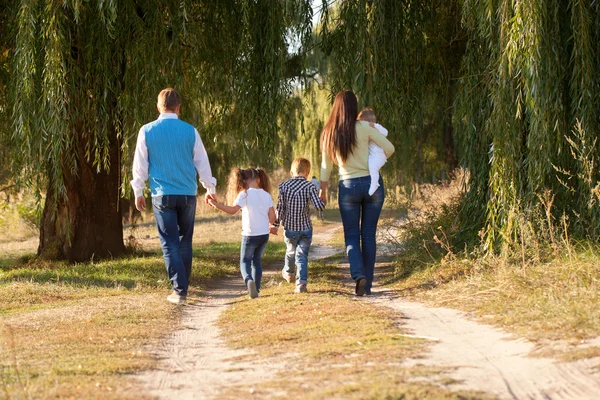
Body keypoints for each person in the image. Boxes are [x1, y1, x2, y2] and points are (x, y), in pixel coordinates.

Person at [131, 88, 217, 304]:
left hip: (163, 195)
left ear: (158, 107)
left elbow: (140, 165)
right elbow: (202, 162)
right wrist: (210, 188)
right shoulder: (190, 131)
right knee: (184, 241)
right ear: (179, 107)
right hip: (187, 194)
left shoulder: (147, 131)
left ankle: (180, 290)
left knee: (169, 243)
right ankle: (183, 285)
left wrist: (138, 191)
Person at [319, 90, 395, 296]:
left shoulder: (328, 132)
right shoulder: (364, 127)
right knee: (368, 235)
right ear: (354, 107)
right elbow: (389, 148)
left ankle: (358, 274)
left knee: (351, 235)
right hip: (373, 185)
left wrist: (323, 191)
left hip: (348, 187)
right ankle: (368, 285)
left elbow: (325, 168)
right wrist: (374, 163)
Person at [208, 168, 275, 299]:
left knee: (244, 261)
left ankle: (249, 280)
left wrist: (216, 205)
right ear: (258, 179)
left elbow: (233, 210)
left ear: (243, 181)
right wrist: (268, 223)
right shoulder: (266, 195)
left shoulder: (244, 194)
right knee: (257, 261)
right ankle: (257, 289)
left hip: (249, 234)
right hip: (263, 235)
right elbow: (272, 217)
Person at [271, 158, 325, 293]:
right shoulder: (310, 186)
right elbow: (319, 207)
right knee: (302, 256)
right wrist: (322, 200)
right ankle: (301, 284)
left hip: (289, 228)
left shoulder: (283, 186)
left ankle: (289, 273)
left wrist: (275, 225)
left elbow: (280, 208)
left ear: (291, 172)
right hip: (305, 228)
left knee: (290, 251)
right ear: (307, 173)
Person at [357, 107, 390, 196]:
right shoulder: (366, 131)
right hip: (374, 156)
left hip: (379, 156)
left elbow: (386, 132)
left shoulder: (376, 127)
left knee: (372, 167)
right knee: (371, 166)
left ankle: (375, 184)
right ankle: (374, 182)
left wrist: (375, 126)